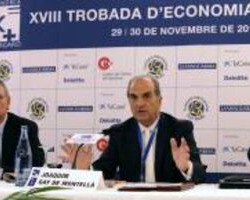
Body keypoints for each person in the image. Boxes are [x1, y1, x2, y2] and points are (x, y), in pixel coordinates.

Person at [62, 75, 206, 183]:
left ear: (159, 101)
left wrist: (186, 166)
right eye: (133, 97)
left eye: (146, 96)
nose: (139, 103)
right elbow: (105, 171)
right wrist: (85, 170)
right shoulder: (120, 132)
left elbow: (200, 174)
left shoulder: (179, 129)